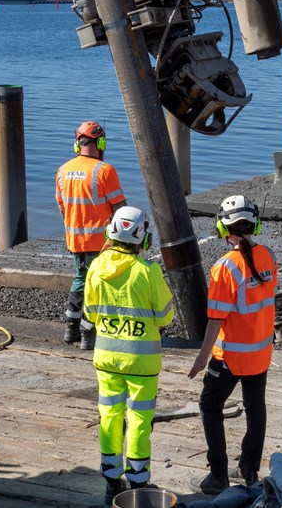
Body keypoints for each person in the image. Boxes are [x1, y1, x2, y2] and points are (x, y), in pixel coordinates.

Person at [83, 205, 174, 504]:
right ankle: (138, 479)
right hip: (141, 361)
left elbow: (91, 313)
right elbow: (164, 317)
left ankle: (111, 478)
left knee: (109, 415)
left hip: (107, 358)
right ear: (142, 239)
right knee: (138, 418)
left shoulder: (96, 267)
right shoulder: (147, 272)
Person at [188, 195, 278, 494]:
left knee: (209, 406)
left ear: (222, 229)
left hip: (229, 356)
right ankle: (249, 470)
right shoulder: (269, 257)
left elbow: (216, 319)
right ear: (255, 224)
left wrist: (202, 358)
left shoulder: (224, 268)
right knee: (256, 408)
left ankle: (218, 476)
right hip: (261, 351)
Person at [56, 121, 126, 350]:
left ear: (77, 144)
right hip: (101, 242)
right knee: (98, 285)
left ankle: (71, 328)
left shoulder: (63, 170)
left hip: (75, 240)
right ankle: (89, 335)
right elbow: (120, 210)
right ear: (101, 142)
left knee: (80, 279)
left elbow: (62, 207)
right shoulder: (105, 170)